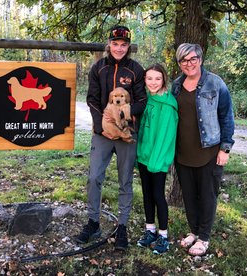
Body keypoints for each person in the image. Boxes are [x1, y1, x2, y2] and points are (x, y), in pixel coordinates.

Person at [76, 25, 147, 250]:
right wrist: (101, 127)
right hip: (103, 133)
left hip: (128, 131)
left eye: (123, 45)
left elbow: (142, 102)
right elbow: (92, 99)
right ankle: (93, 223)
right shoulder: (98, 68)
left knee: (125, 181)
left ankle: (122, 228)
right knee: (94, 177)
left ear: (129, 47)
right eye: (115, 44)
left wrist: (123, 115)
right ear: (109, 44)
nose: (119, 48)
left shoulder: (136, 69)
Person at [171, 43, 235, 256]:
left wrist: (225, 149)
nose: (189, 64)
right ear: (179, 63)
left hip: (209, 151)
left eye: (192, 59)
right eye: (184, 60)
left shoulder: (215, 83)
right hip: (182, 153)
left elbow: (226, 116)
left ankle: (204, 238)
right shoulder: (176, 86)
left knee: (207, 195)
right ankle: (194, 231)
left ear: (200, 59)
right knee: (189, 196)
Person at [136, 64, 178, 254]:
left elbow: (164, 136)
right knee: (146, 194)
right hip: (144, 157)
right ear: (144, 80)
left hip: (157, 160)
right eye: (149, 78)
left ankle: (163, 236)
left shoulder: (167, 104)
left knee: (158, 195)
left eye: (157, 78)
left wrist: (155, 160)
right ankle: (150, 231)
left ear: (164, 80)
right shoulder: (147, 99)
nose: (153, 82)